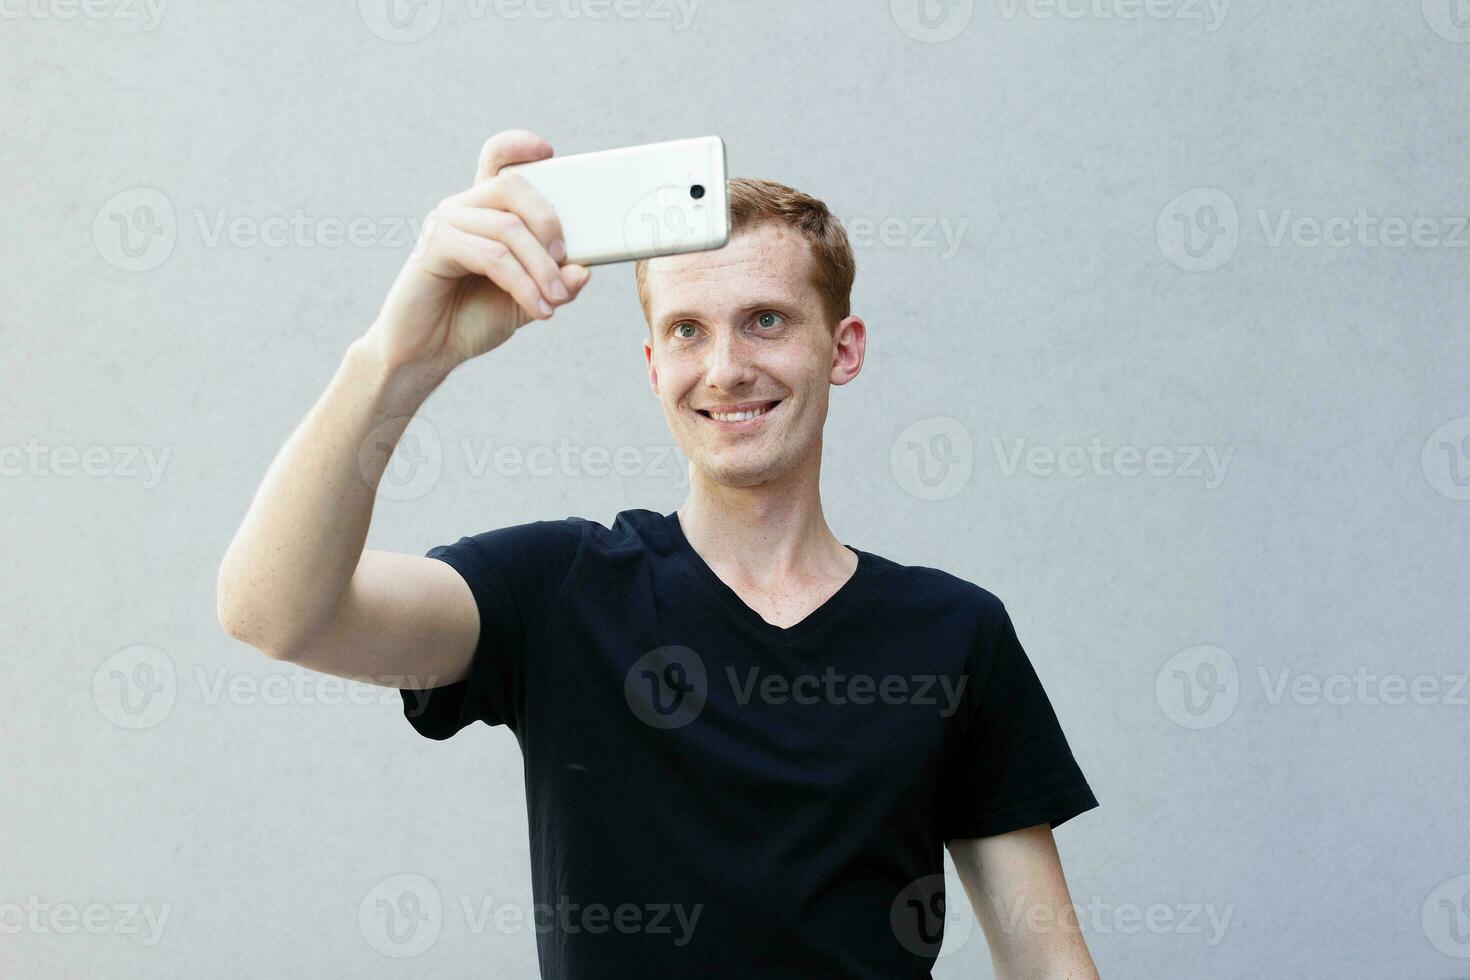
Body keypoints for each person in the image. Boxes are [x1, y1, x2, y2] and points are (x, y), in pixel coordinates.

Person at [217, 128, 1101, 979]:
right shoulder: (556, 594)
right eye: (687, 330)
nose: (724, 368)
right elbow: (275, 614)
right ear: (651, 364)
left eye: (764, 320)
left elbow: (1047, 962)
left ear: (844, 348)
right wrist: (399, 356)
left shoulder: (953, 633)